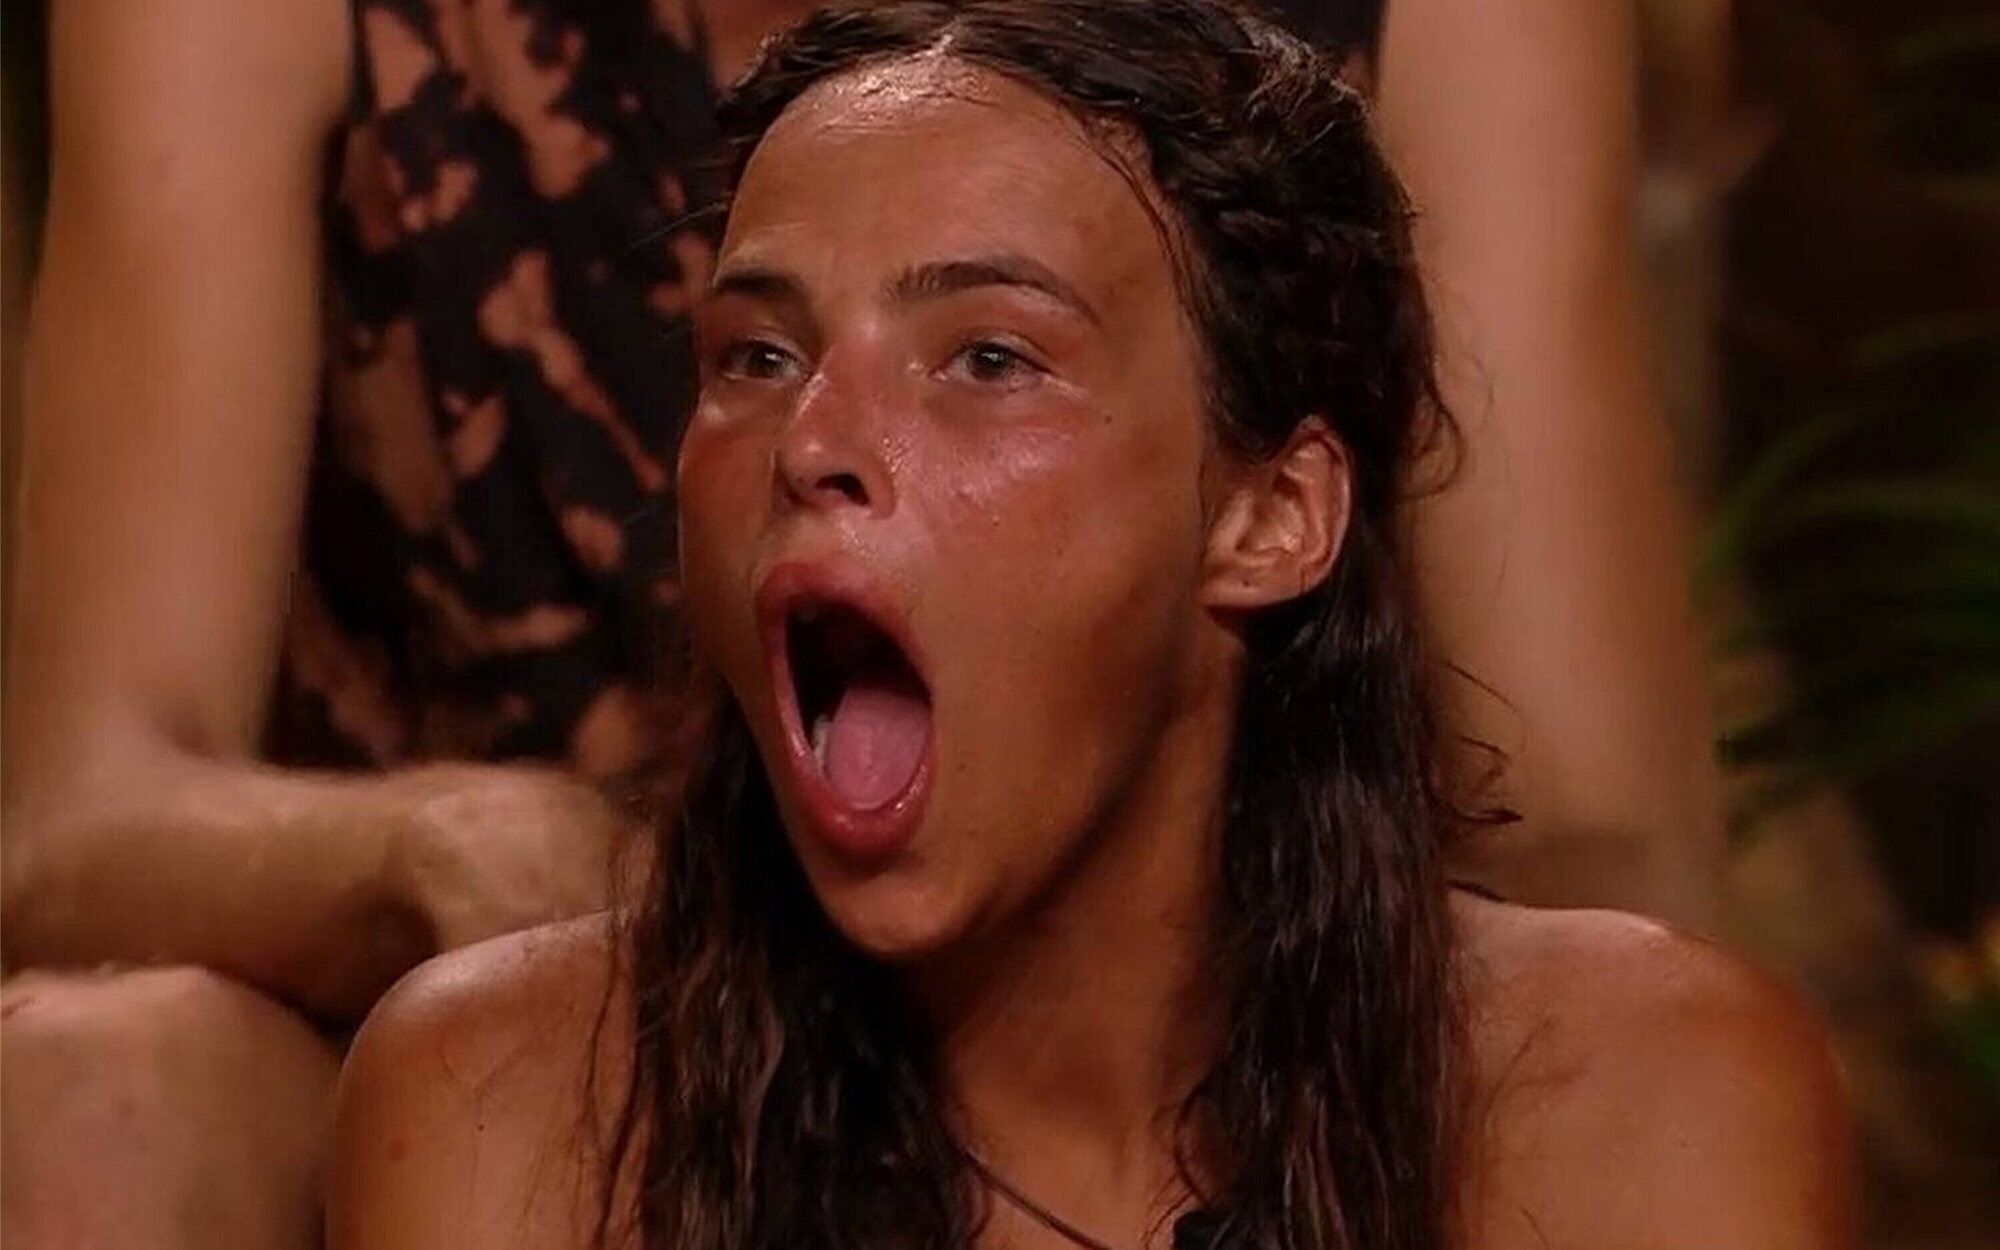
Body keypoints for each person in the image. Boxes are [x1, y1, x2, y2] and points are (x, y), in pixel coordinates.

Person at [3, 0, 1718, 1244]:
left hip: (1230, 966)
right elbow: (70, 813)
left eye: (989, 359)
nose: (817, 438)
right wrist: (453, 855)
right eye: (752, 357)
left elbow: (1598, 817)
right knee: (96, 1089)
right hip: (528, 1005)